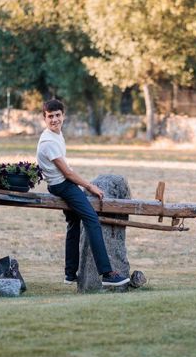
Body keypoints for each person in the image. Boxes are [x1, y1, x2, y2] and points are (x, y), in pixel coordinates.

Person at [36, 98, 129, 287]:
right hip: (62, 185)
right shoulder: (48, 142)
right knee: (92, 221)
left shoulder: (56, 135)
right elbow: (67, 172)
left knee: (73, 222)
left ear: (63, 116)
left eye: (57, 115)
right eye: (50, 116)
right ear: (44, 118)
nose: (54, 119)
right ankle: (107, 274)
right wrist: (89, 186)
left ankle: (70, 274)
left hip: (61, 183)